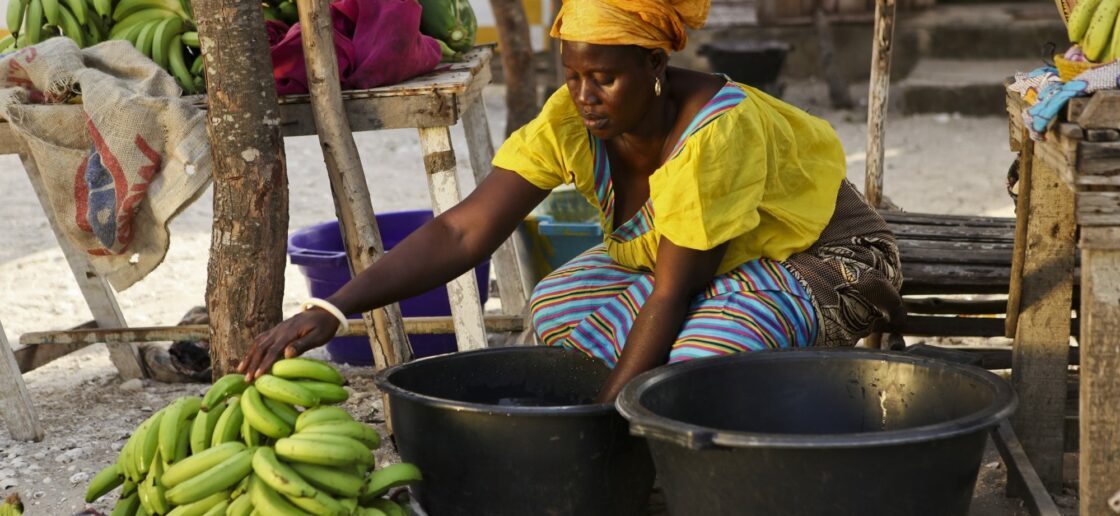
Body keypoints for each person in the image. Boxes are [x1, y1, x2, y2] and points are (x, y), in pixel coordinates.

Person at [241, 0, 904, 402]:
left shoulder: (717, 131)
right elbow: (464, 232)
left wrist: (598, 421)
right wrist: (333, 307)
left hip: (826, 257)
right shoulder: (573, 119)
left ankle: (721, 436)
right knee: (555, 308)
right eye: (574, 75)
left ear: (655, 68)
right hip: (709, 258)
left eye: (605, 78)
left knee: (696, 358)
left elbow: (673, 295)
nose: (585, 95)